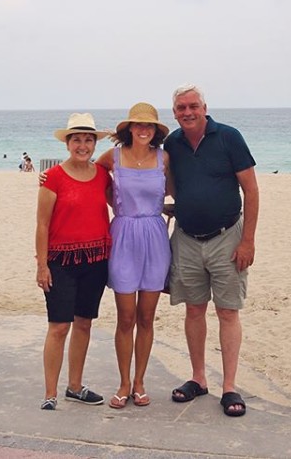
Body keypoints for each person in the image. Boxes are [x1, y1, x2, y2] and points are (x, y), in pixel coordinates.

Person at [164, 85, 259, 418]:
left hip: (227, 237)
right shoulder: (172, 143)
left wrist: (247, 241)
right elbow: (168, 181)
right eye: (180, 108)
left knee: (228, 311)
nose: (187, 112)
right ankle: (198, 378)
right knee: (193, 310)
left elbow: (251, 189)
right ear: (173, 112)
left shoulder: (229, 137)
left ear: (205, 107)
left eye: (193, 106)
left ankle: (230, 386)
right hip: (187, 239)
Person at [95, 102, 171, 410]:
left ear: (155, 131)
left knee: (146, 316)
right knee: (125, 317)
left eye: (149, 126)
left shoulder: (164, 158)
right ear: (128, 129)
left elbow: (177, 191)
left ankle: (140, 381)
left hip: (154, 235)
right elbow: (91, 174)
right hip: (123, 234)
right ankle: (124, 382)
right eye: (138, 125)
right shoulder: (112, 157)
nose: (143, 130)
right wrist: (113, 202)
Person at [36, 112, 112, 411]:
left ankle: (75, 387)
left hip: (96, 260)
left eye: (88, 139)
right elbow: (42, 225)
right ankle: (50, 393)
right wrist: (42, 265)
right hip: (61, 263)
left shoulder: (103, 175)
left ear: (95, 144)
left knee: (84, 324)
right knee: (58, 327)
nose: (83, 145)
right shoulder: (53, 177)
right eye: (77, 139)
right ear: (67, 143)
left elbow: (126, 196)